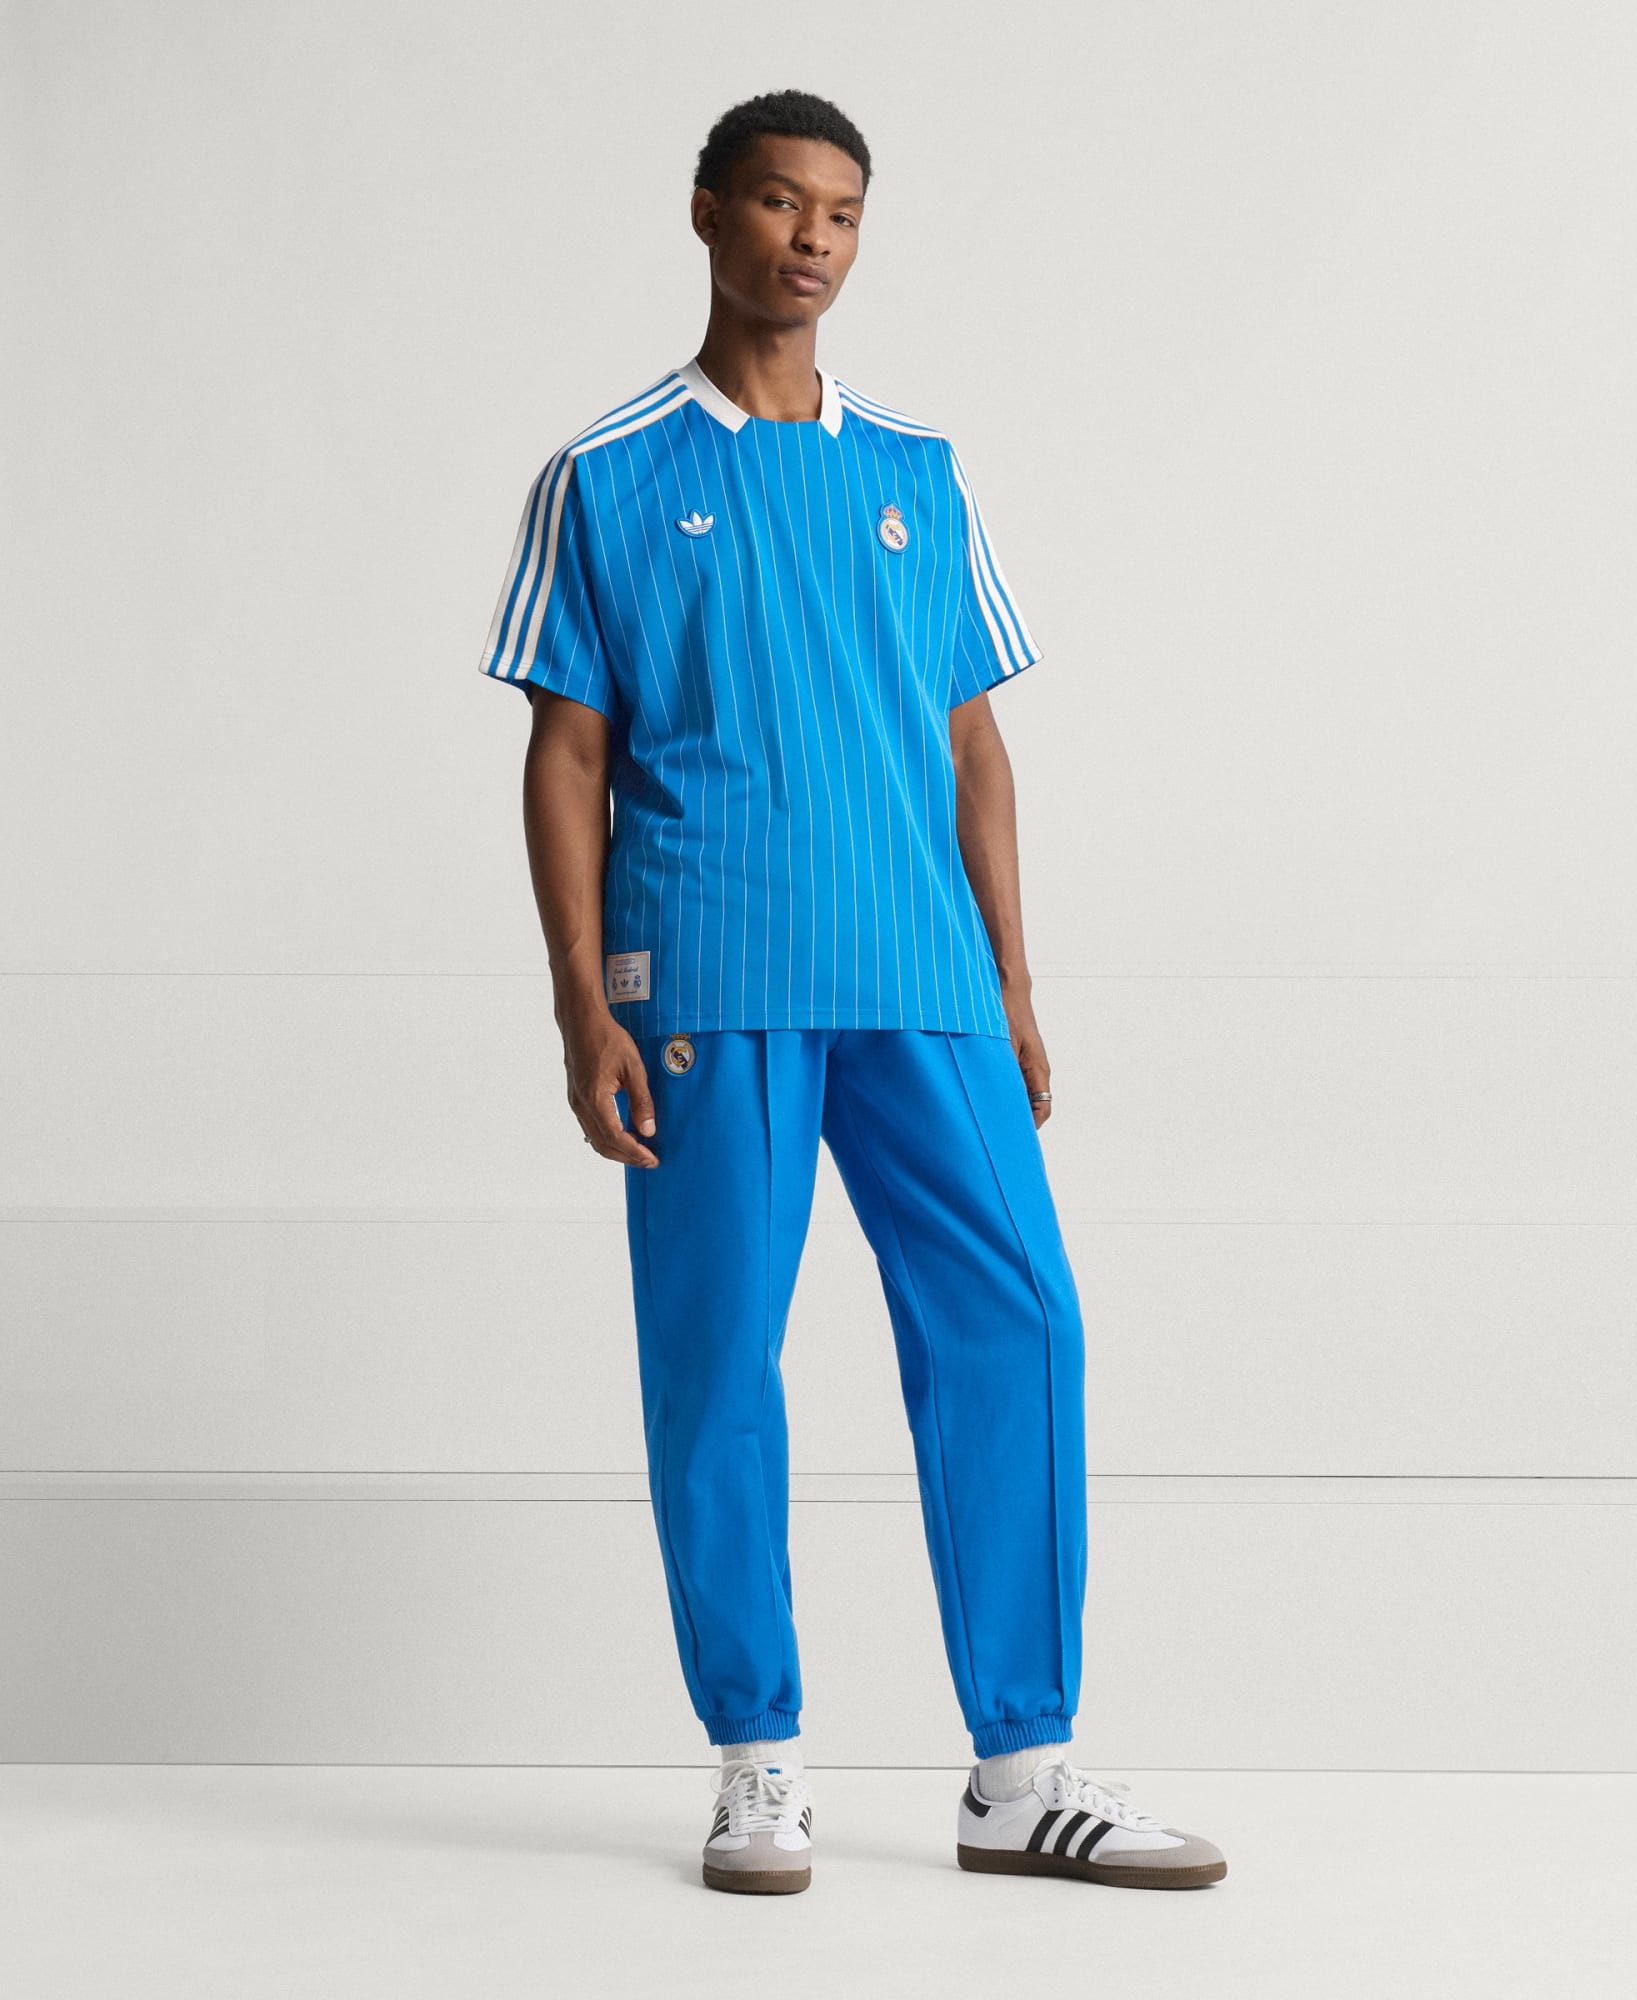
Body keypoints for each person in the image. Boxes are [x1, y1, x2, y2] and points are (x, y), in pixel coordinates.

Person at [477, 88, 1225, 1896]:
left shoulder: (920, 470)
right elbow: (567, 754)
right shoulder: (608, 475)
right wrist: (581, 1003)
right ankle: (758, 1761)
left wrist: (1014, 984)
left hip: (923, 977)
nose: (812, 238)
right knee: (718, 1356)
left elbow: (975, 747)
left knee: (1018, 1322)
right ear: (707, 212)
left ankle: (1021, 1771)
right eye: (778, 202)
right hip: (708, 972)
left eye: (843, 213)